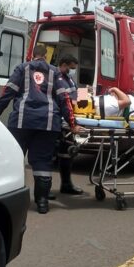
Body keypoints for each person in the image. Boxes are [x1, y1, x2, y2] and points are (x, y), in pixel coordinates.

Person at [0, 45, 81, 214]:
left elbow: (7, 93)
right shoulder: (55, 72)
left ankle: (9, 201)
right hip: (47, 123)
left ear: (32, 55)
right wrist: (72, 123)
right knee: (42, 162)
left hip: (21, 122)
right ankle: (42, 202)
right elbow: (64, 99)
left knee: (14, 159)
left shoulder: (21, 68)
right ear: (46, 55)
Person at [55, 54, 84, 195]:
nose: (72, 71)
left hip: (70, 119)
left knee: (68, 154)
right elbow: (65, 102)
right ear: (64, 65)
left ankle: (66, 184)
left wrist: (86, 93)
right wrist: (72, 124)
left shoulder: (69, 79)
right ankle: (63, 185)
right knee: (61, 153)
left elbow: (76, 96)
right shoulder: (58, 79)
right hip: (62, 121)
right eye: (71, 68)